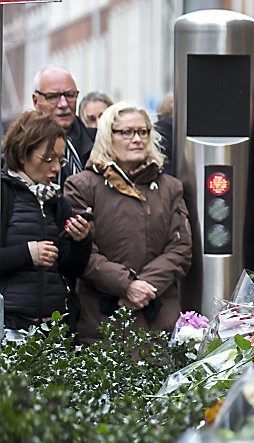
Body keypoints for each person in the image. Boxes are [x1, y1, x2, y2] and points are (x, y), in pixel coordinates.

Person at [64, 103, 192, 343]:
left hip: (158, 320)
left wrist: (143, 287)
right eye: (127, 132)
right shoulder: (81, 186)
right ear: (107, 137)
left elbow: (180, 249)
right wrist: (126, 285)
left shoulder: (170, 187)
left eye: (144, 132)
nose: (137, 139)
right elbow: (82, 252)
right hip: (103, 321)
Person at [1, 111, 92, 330]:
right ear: (23, 155)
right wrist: (28, 253)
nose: (55, 168)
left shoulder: (56, 200)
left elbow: (70, 269)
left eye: (60, 160)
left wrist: (81, 240)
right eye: (48, 159)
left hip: (52, 327)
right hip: (9, 325)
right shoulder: (4, 193)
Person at [31, 66, 96, 184]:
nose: (63, 104)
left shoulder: (99, 144)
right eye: (52, 97)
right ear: (36, 101)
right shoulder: (19, 150)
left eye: (70, 95)